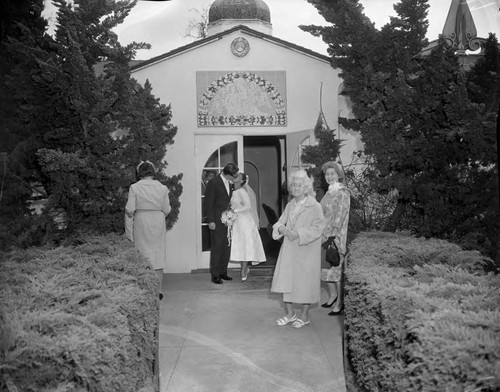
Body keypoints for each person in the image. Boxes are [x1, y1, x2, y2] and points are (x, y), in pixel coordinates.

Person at [271, 170, 326, 329]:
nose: (295, 187)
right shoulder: (290, 204)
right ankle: (290, 314)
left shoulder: (314, 205)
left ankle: (305, 315)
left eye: (299, 185)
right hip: (289, 249)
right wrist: (281, 228)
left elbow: (319, 227)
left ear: (306, 187)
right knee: (286, 281)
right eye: (293, 185)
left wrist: (299, 234)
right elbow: (280, 221)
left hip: (306, 249)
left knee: (305, 283)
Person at [125, 161, 171, 300]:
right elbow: (167, 209)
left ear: (139, 173)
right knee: (158, 254)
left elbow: (130, 209)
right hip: (157, 220)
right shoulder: (162, 188)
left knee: (143, 254)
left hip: (142, 220)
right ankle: (158, 291)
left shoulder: (134, 187)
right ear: (153, 172)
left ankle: (145, 290)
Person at [319, 161, 350, 316]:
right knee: (326, 269)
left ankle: (340, 302)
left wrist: (332, 236)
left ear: (339, 175)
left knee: (335, 269)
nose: (329, 176)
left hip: (335, 237)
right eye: (327, 174)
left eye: (332, 173)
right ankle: (332, 296)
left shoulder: (343, 192)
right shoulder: (330, 191)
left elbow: (340, 215)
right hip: (324, 235)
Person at [205, 163, 239, 284]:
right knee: (217, 247)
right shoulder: (213, 182)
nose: (235, 178)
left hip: (227, 221)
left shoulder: (230, 184)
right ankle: (215, 275)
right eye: (233, 176)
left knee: (226, 246)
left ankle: (223, 272)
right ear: (227, 174)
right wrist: (211, 220)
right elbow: (208, 203)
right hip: (217, 221)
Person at [229, 173, 266, 281]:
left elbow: (248, 206)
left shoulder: (242, 191)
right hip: (237, 221)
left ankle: (244, 269)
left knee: (245, 244)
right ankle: (244, 268)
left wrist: (234, 211)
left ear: (241, 181)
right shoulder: (234, 192)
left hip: (244, 221)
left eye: (238, 176)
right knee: (240, 244)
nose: (235, 176)